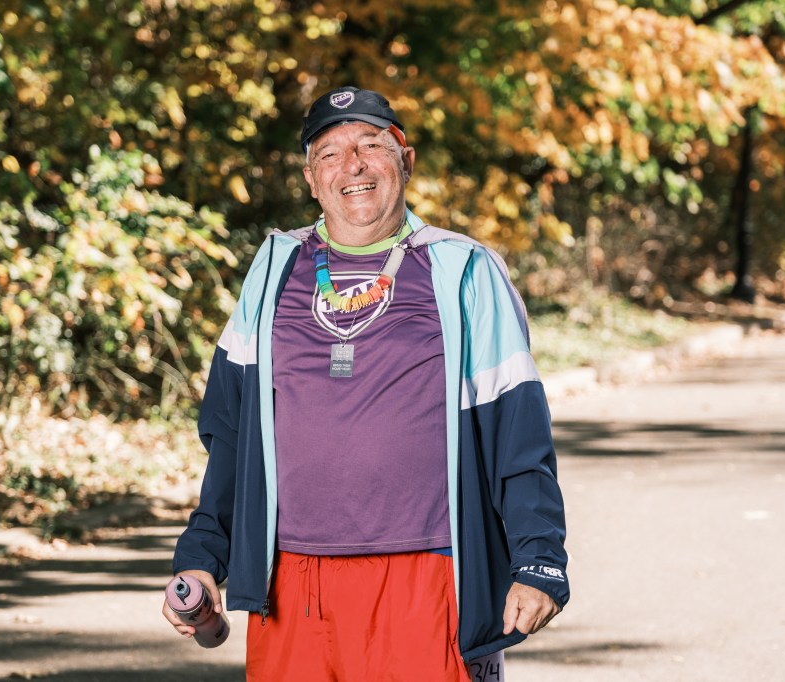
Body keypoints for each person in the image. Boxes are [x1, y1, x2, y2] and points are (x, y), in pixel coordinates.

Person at [163, 85, 570, 681]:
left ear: (404, 160)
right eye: (329, 153)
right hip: (293, 580)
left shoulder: (462, 269)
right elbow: (230, 433)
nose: (352, 165)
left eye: (371, 145)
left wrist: (539, 560)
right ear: (310, 178)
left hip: (428, 572)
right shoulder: (276, 269)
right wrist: (203, 557)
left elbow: (518, 429)